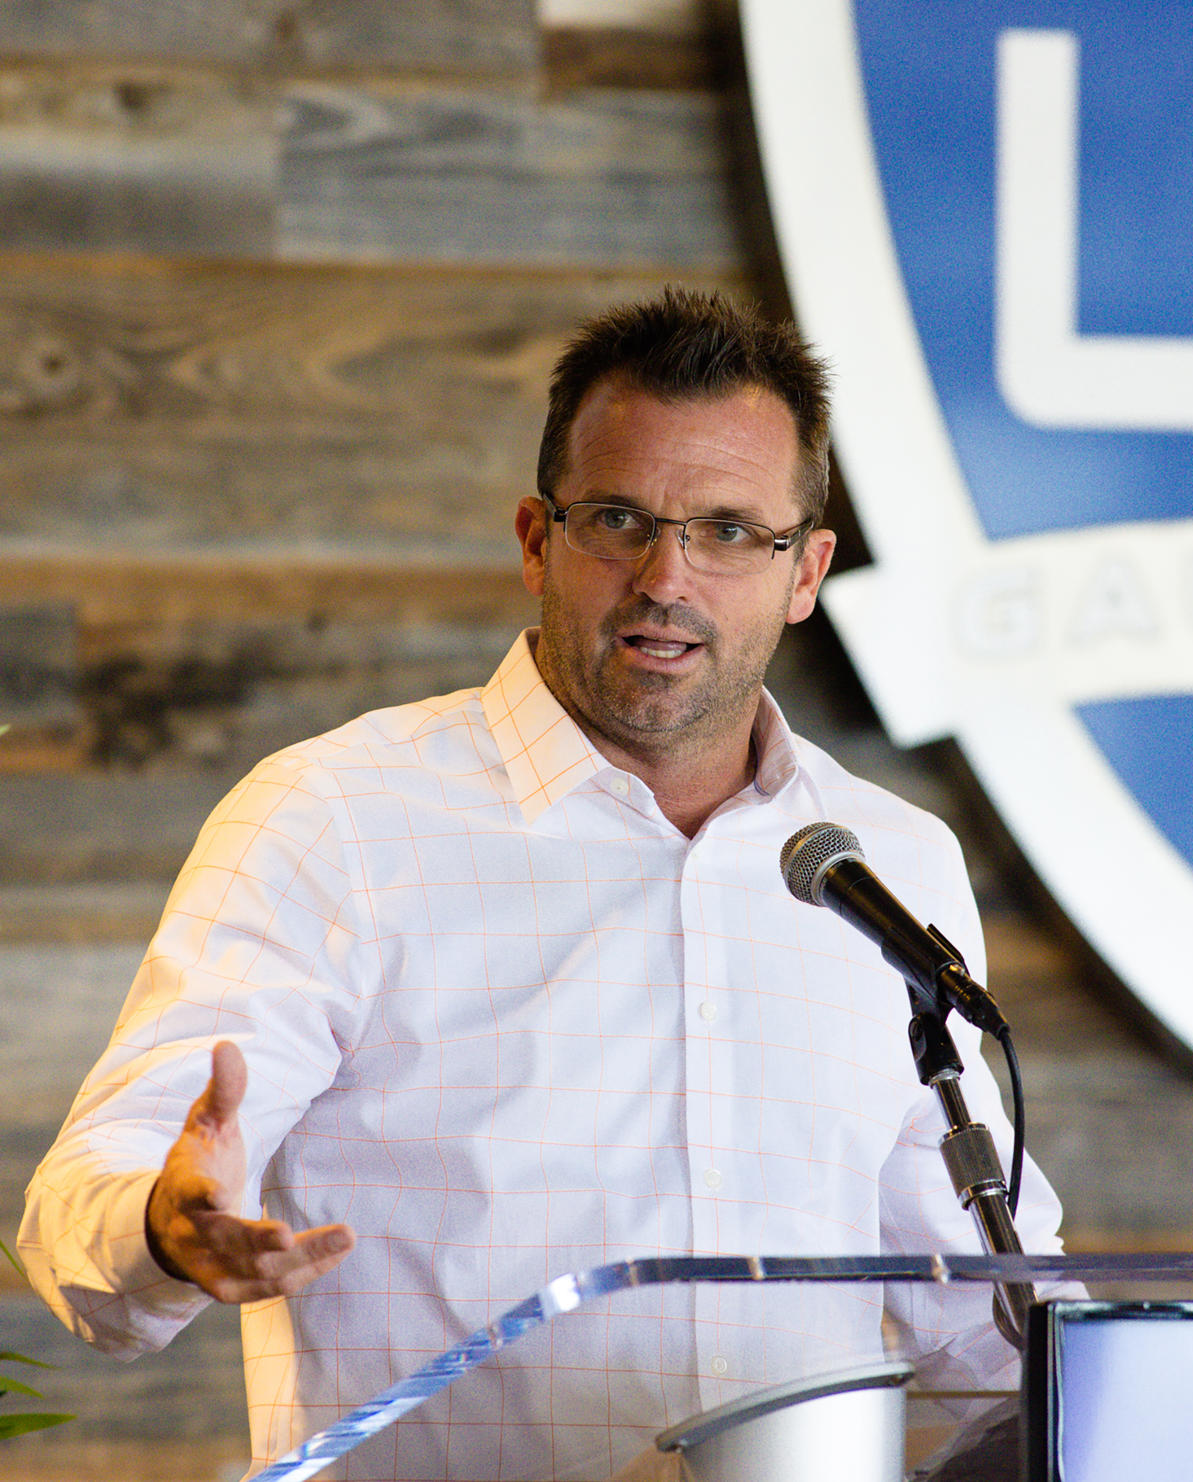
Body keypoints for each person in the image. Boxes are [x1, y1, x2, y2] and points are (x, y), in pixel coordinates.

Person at [20, 289, 1065, 1481]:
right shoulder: (338, 820)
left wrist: (1114, 1396)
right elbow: (82, 1213)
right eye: (619, 519)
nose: (667, 576)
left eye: (729, 530)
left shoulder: (884, 865)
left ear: (805, 570)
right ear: (535, 539)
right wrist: (168, 1226)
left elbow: (979, 1318)